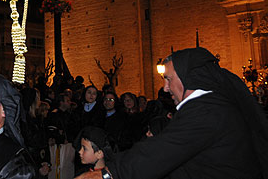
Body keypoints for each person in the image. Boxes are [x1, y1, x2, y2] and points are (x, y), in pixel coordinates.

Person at [75, 47, 268, 179]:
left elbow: (159, 153)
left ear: (186, 78)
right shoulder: (210, 105)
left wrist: (108, 174)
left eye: (168, 79)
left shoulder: (208, 109)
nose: (165, 88)